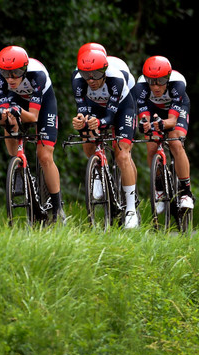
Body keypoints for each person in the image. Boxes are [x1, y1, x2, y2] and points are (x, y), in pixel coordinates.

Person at [0, 45, 65, 223]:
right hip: (17, 100)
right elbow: (4, 108)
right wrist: (7, 114)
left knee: (44, 156)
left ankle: (57, 207)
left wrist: (16, 109)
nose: (10, 78)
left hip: (43, 105)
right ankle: (17, 164)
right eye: (6, 73)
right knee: (5, 118)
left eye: (16, 73)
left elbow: (32, 117)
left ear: (24, 69)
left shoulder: (37, 75)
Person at [72, 47, 139, 228]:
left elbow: (110, 118)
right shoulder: (78, 80)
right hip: (96, 106)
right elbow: (82, 110)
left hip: (122, 107)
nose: (91, 80)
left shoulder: (115, 79)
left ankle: (131, 210)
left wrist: (99, 123)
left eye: (96, 75)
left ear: (104, 71)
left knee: (122, 154)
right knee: (87, 139)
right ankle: (97, 172)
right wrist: (81, 122)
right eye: (87, 76)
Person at [135, 55, 194, 212]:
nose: (156, 86)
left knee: (175, 141)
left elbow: (172, 121)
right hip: (153, 108)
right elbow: (144, 117)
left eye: (160, 81)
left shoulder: (177, 84)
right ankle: (159, 188)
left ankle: (186, 192)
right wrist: (145, 124)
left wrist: (162, 124)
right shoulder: (140, 87)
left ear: (167, 78)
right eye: (152, 81)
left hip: (176, 110)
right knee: (152, 146)